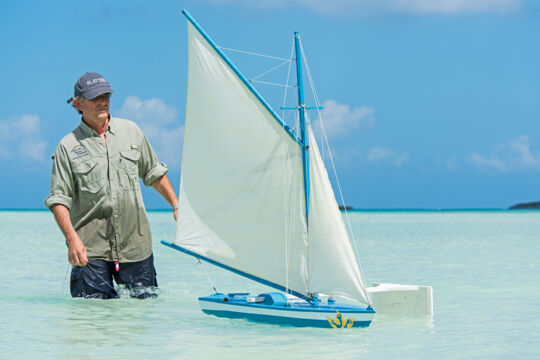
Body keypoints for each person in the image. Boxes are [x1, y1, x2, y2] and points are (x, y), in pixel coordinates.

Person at [45, 72, 178, 299]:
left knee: (141, 318)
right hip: (90, 251)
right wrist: (72, 240)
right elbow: (59, 199)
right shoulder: (67, 147)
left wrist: (176, 205)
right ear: (78, 103)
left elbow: (153, 173)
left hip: (136, 246)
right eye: (95, 97)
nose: (102, 101)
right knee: (92, 322)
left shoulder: (132, 131)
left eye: (105, 95)